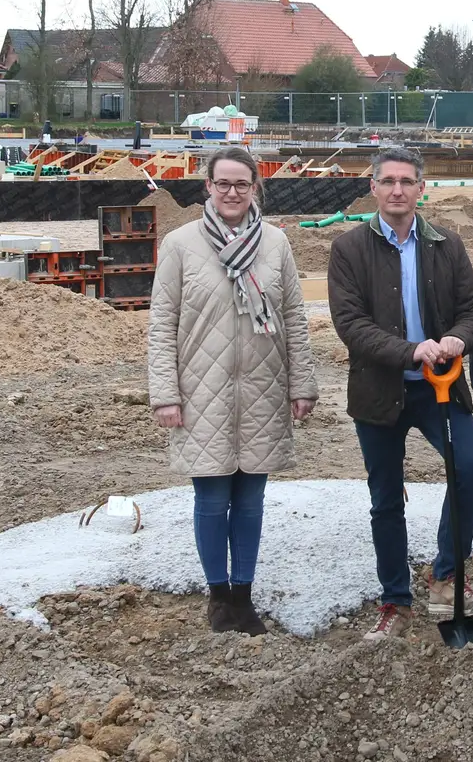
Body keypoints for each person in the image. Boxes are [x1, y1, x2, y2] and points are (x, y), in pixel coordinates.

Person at [147, 146, 318, 636]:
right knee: (211, 497)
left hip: (263, 389)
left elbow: (293, 320)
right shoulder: (180, 245)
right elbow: (162, 325)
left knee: (250, 501)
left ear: (255, 187)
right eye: (222, 183)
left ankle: (243, 596)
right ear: (207, 186)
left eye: (242, 184)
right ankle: (218, 597)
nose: (231, 192)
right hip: (203, 392)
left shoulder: (276, 245)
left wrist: (301, 384)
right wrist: (165, 394)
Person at [328, 147, 473, 641]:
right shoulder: (349, 249)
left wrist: (458, 339)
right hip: (379, 392)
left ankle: (445, 574)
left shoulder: (446, 243)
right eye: (388, 181)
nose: (397, 190)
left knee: (471, 468)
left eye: (407, 181)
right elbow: (350, 325)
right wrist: (409, 351)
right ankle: (395, 601)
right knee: (385, 499)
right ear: (373, 187)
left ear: (422, 188)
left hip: (438, 391)